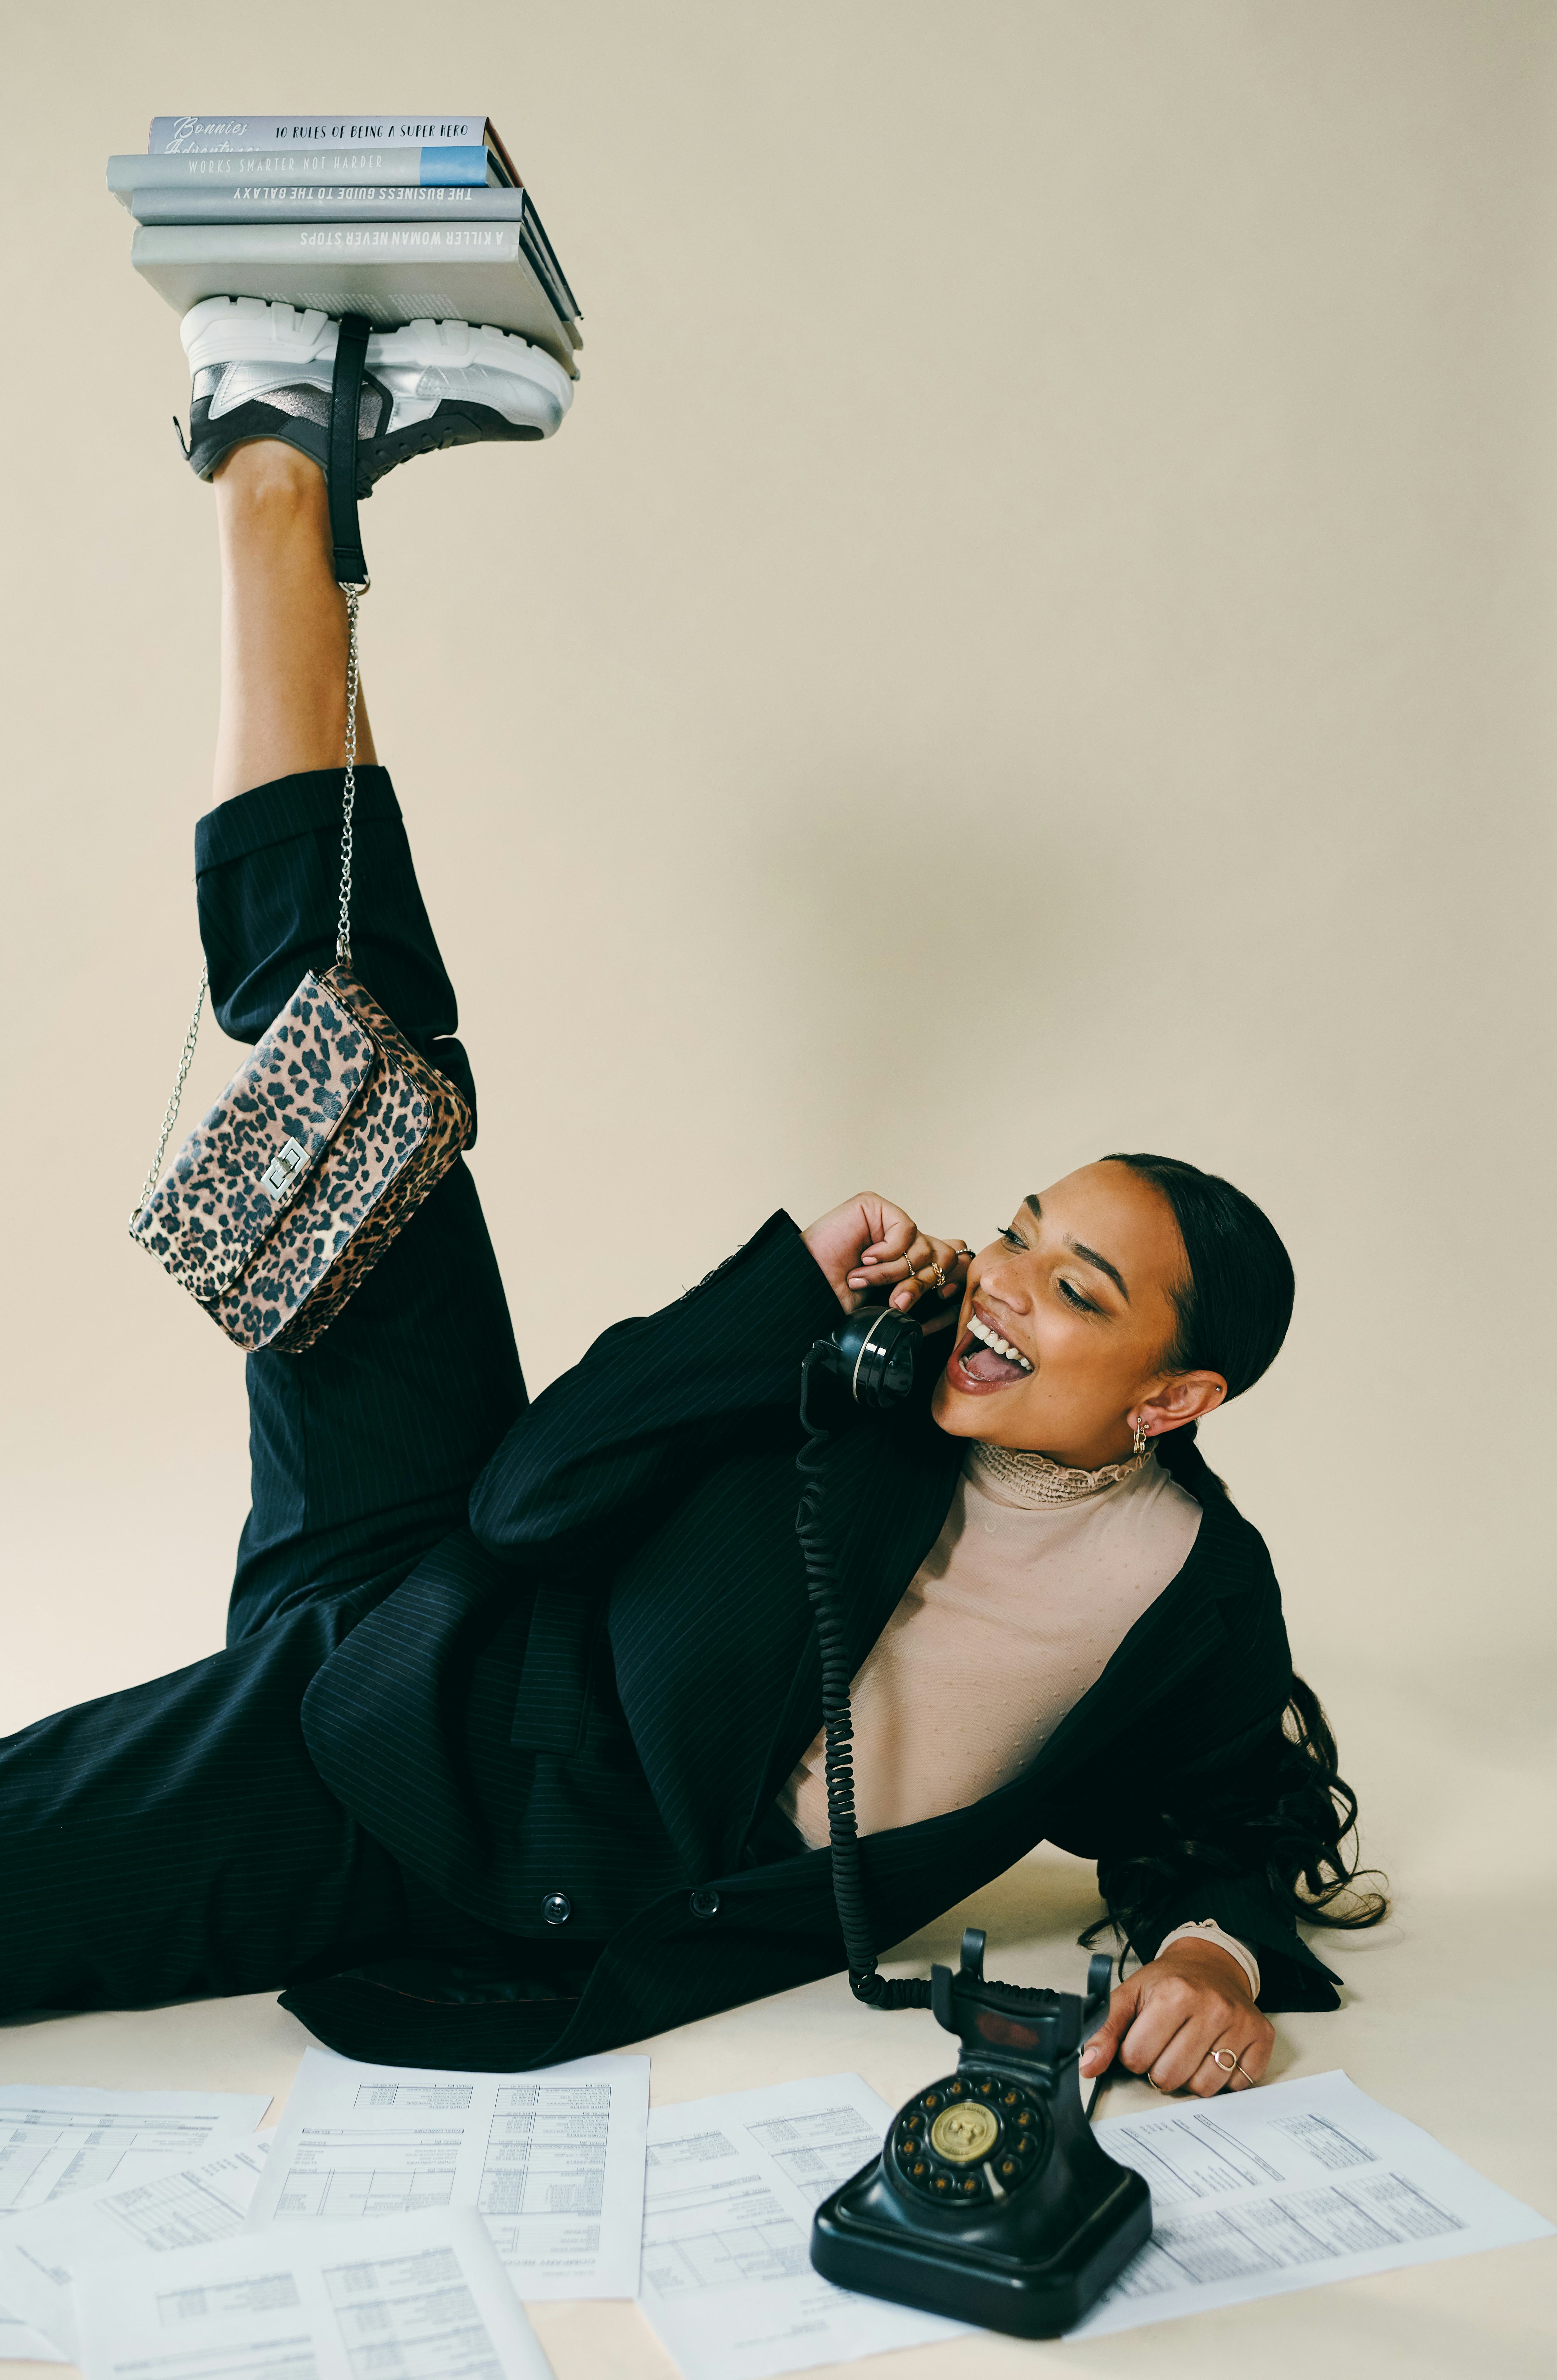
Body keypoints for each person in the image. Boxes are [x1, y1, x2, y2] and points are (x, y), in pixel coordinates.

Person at [1, 300, 1384, 2085]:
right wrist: (787, 1299)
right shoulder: (865, 1369)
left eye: (1079, 1294)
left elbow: (1234, 1811)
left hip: (419, 1788)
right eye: (1027, 1232)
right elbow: (528, 1495)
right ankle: (274, 453)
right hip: (438, 1608)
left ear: (1177, 1397)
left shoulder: (1183, 1590)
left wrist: (1206, 1948)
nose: (1010, 1285)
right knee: (362, 1074)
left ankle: (289, 441)